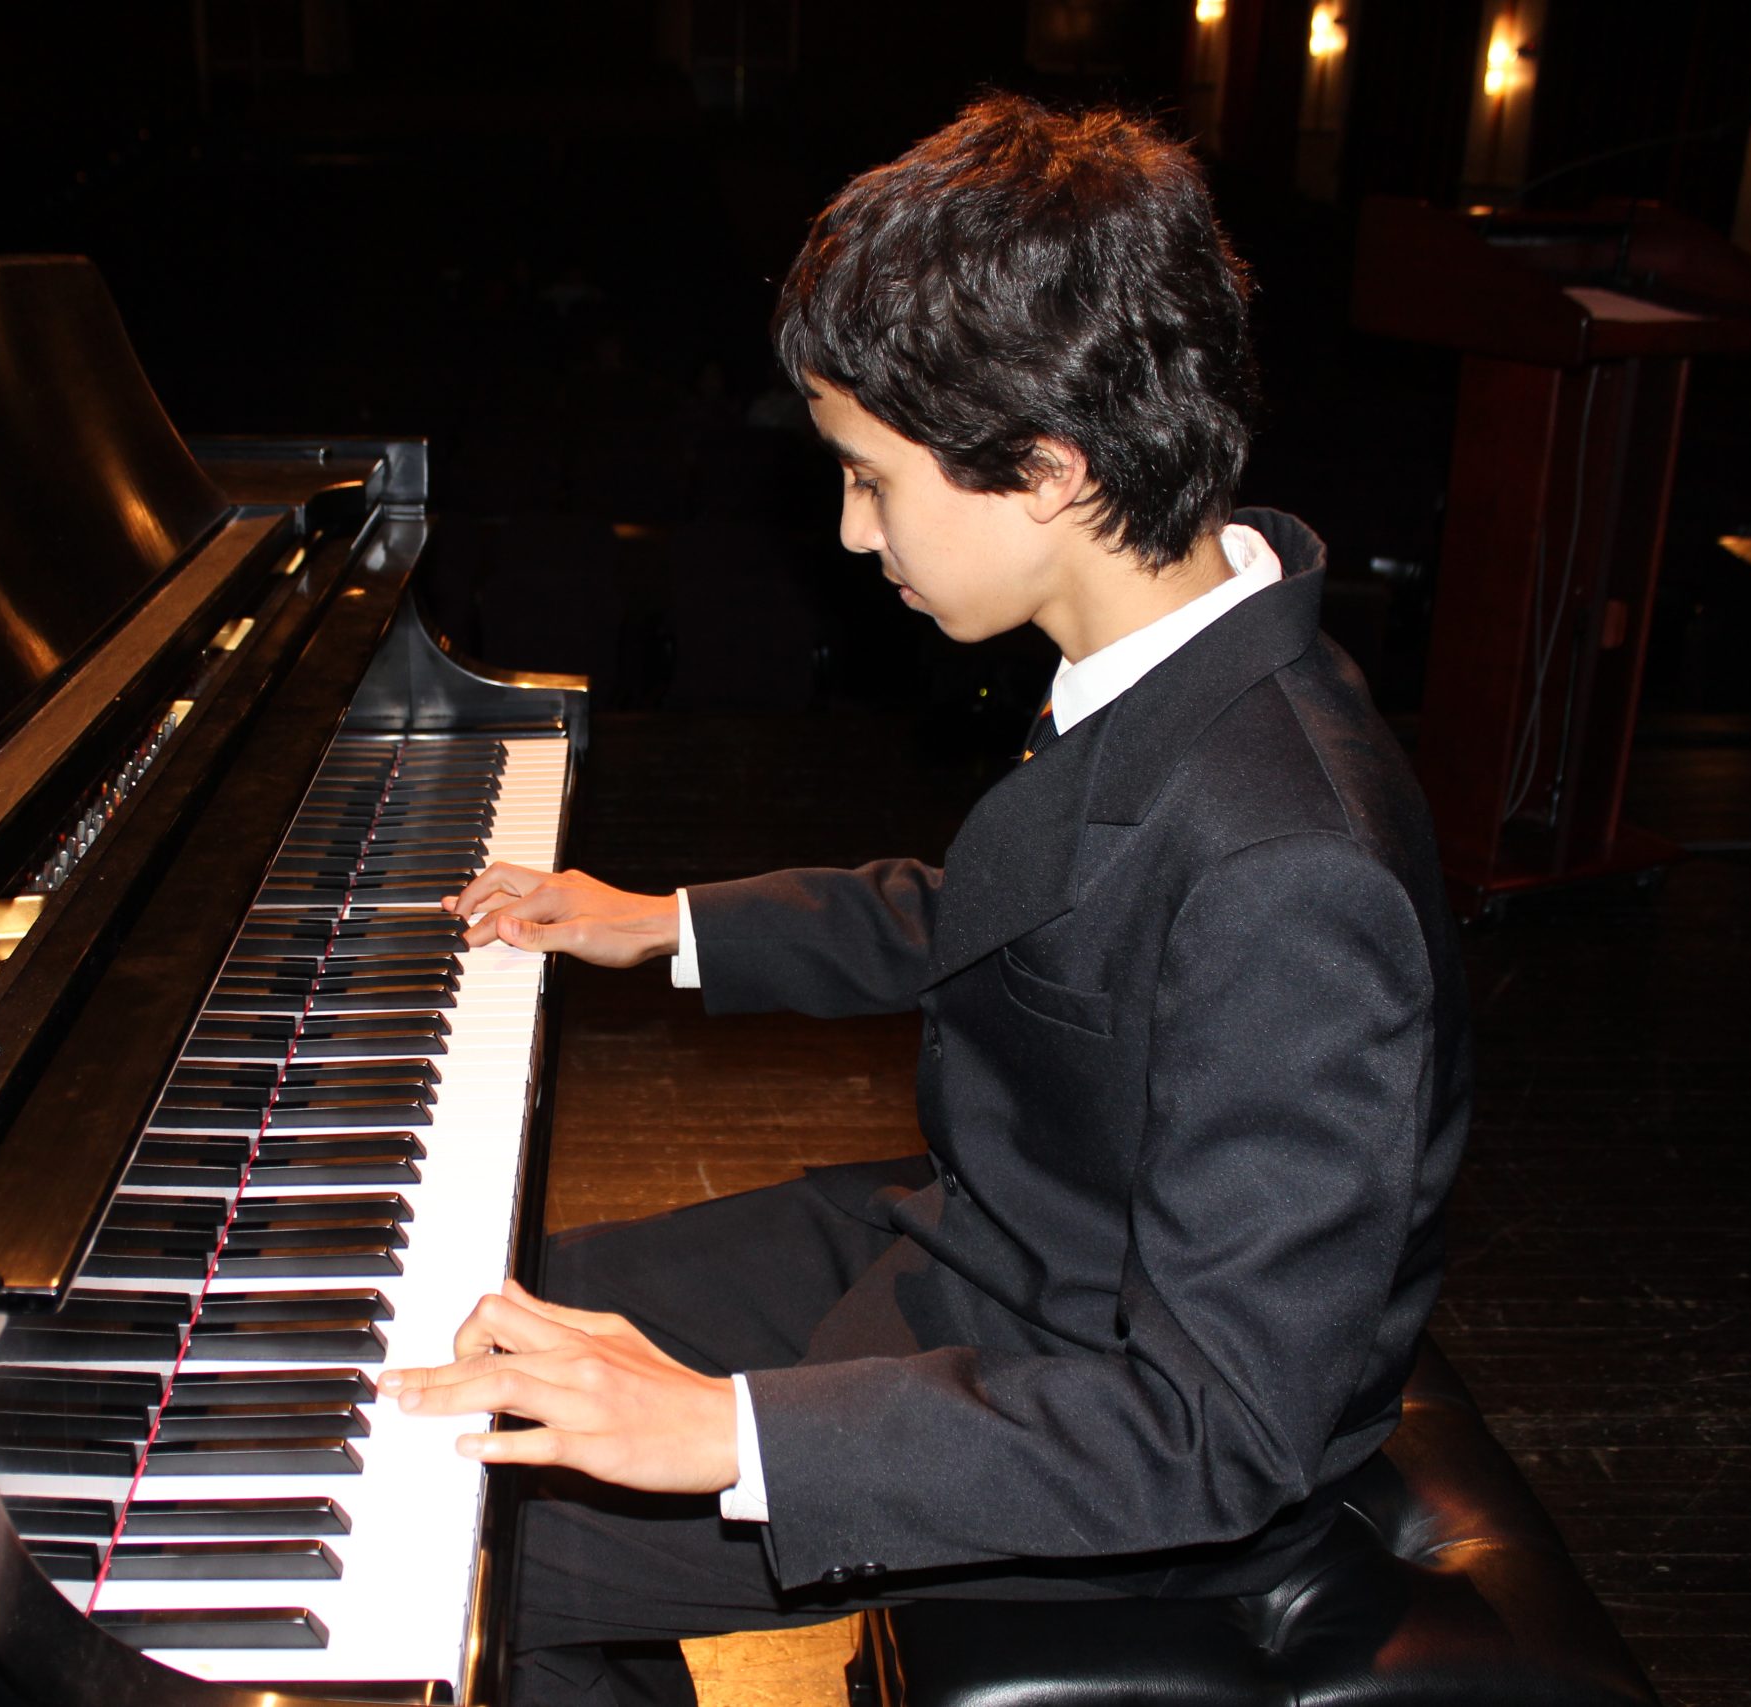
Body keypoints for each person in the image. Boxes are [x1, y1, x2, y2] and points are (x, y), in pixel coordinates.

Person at [380, 94, 1471, 1707]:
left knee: (446, 1545)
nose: (849, 527)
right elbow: (1008, 912)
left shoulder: (1294, 867)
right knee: (448, 1329)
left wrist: (726, 1431)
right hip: (983, 1254)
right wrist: (665, 922)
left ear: (1044, 468)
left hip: (1106, 1440)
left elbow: (1222, 1430)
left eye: (871, 478)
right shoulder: (1178, 651)